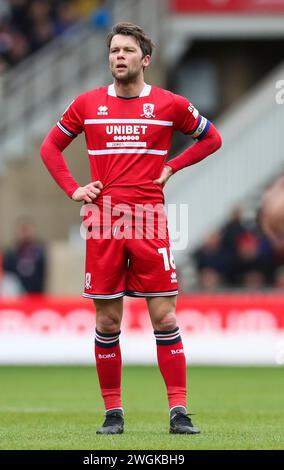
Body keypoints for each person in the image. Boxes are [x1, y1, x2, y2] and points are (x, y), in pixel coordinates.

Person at [40, 22, 222, 435]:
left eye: (126, 50)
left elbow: (211, 139)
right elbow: (49, 147)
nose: (118, 56)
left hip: (149, 220)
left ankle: (178, 411)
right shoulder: (86, 104)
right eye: (113, 50)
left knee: (164, 316)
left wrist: (173, 165)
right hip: (103, 222)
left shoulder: (169, 104)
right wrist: (73, 189)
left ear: (146, 59)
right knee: (107, 322)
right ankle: (113, 414)